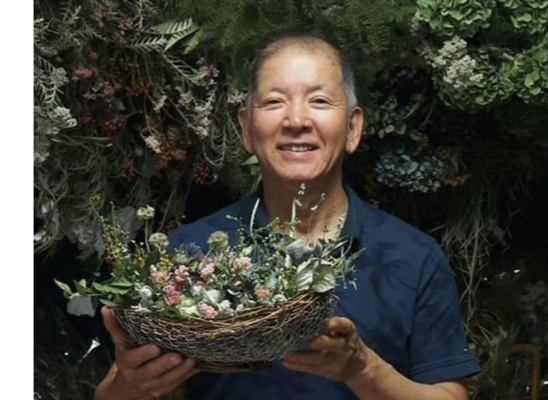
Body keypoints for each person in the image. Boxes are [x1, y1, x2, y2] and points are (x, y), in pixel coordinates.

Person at [94, 31, 481, 400]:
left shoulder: (413, 257)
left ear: (352, 128)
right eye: (274, 102)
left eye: (320, 101)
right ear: (247, 129)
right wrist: (133, 382)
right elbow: (112, 392)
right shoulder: (187, 254)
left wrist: (363, 369)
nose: (296, 121)